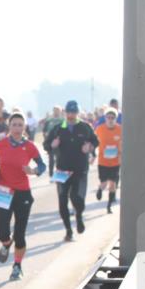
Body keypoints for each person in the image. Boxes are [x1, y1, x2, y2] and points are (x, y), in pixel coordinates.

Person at [0, 112, 46, 280]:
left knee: (20, 234)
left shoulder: (30, 146)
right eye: (14, 125)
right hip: (3, 191)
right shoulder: (0, 144)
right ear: (9, 126)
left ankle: (17, 266)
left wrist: (34, 171)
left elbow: (42, 165)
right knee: (2, 232)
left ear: (24, 127)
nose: (17, 128)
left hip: (22, 193)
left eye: (20, 125)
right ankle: (6, 244)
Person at [44, 100, 99, 241]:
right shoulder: (57, 128)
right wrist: (52, 144)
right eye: (68, 112)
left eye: (74, 112)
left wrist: (90, 147)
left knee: (77, 198)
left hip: (80, 170)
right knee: (62, 202)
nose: (71, 115)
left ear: (78, 113)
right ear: (65, 113)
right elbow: (46, 145)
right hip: (62, 170)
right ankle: (68, 230)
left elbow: (95, 141)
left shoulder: (85, 127)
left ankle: (79, 216)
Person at [94, 107, 122, 213]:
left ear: (116, 119)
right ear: (105, 118)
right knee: (104, 183)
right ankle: (100, 189)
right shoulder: (100, 129)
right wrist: (92, 153)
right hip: (103, 161)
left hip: (115, 162)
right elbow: (94, 141)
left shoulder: (120, 129)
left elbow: (124, 142)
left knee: (113, 184)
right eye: (108, 117)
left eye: (112, 117)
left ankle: (109, 206)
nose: (110, 119)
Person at [43, 106, 64, 171]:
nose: (56, 112)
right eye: (55, 110)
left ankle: (58, 170)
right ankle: (51, 173)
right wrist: (46, 136)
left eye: (57, 110)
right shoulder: (49, 120)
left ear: (60, 111)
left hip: (59, 141)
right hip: (50, 141)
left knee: (59, 157)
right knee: (51, 157)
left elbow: (65, 130)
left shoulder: (63, 120)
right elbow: (44, 130)